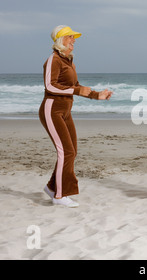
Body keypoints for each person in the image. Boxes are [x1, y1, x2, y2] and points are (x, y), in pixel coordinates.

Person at [39, 25, 112, 207]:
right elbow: (50, 86)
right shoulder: (53, 60)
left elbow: (76, 85)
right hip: (52, 110)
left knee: (72, 151)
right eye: (70, 37)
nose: (74, 40)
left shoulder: (68, 61)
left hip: (65, 111)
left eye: (74, 37)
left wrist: (97, 95)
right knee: (66, 151)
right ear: (60, 40)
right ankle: (60, 196)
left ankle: (52, 187)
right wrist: (77, 90)